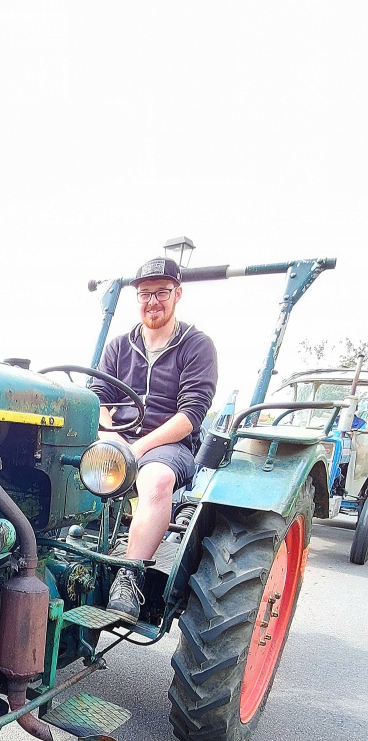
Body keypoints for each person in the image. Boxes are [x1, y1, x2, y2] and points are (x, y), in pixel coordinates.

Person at [93, 256, 218, 623]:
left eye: (161, 292)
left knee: (155, 478)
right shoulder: (118, 346)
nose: (153, 302)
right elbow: (99, 397)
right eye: (145, 294)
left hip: (169, 445)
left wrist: (136, 449)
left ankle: (130, 577)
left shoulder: (197, 346)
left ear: (177, 294)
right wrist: (112, 436)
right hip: (119, 438)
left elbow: (189, 416)